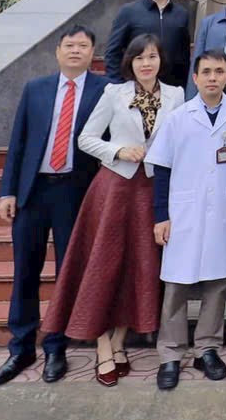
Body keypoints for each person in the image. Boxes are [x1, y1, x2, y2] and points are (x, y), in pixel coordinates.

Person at [43, 33, 185, 385]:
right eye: (139, 58)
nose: (146, 63)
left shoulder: (177, 95)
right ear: (129, 63)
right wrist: (118, 151)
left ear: (161, 60)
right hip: (115, 188)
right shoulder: (114, 94)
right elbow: (85, 138)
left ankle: (120, 341)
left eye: (152, 57)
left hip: (152, 190)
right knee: (103, 265)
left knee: (140, 266)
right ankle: (102, 345)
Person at [0, 25, 109, 385]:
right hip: (33, 191)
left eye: (83, 46)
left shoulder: (106, 90)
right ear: (58, 51)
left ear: (92, 53)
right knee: (25, 270)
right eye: (69, 45)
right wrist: (8, 191)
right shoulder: (36, 89)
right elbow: (19, 141)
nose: (75, 51)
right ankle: (21, 347)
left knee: (66, 272)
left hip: (74, 191)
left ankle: (56, 347)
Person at [145, 50, 226, 389]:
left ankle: (207, 348)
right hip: (183, 212)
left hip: (222, 210)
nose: (212, 78)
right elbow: (162, 168)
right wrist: (161, 216)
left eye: (219, 71)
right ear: (195, 78)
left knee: (217, 285)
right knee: (176, 284)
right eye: (206, 72)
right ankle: (171, 353)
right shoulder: (178, 117)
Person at [104, 0, 194, 88]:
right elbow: (113, 52)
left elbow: (184, 56)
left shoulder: (181, 14)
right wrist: (118, 84)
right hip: (135, 86)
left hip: (171, 88)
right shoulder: (129, 11)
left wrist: (184, 88)